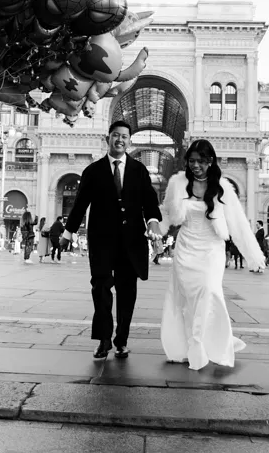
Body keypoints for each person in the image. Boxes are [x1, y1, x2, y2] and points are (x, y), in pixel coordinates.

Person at [158, 140, 265, 371]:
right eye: (192, 161)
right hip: (185, 247)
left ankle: (203, 345)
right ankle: (187, 345)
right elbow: (166, 214)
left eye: (200, 161)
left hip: (211, 249)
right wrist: (153, 227)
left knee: (209, 291)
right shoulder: (178, 183)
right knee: (185, 300)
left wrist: (254, 256)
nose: (195, 165)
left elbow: (238, 224)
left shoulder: (223, 188)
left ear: (210, 161)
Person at [65, 120, 162, 360]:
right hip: (102, 240)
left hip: (131, 241)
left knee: (127, 292)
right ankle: (104, 338)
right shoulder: (93, 170)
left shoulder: (139, 170)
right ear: (108, 138)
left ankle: (122, 340)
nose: (120, 140)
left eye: (125, 137)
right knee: (100, 287)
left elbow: (149, 201)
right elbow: (80, 204)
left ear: (129, 141)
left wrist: (153, 221)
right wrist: (68, 231)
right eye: (116, 135)